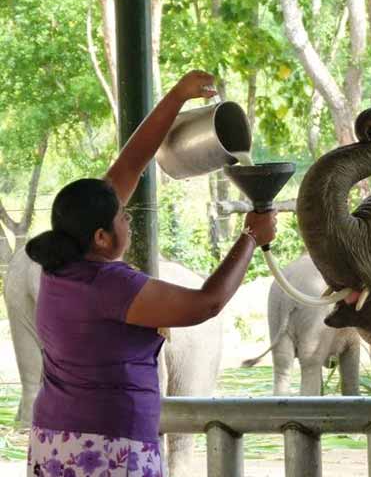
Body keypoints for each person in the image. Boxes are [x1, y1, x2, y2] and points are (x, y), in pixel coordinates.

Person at [24, 70, 276, 477]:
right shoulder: (110, 285)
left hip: (54, 438)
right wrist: (250, 237)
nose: (129, 219)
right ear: (103, 237)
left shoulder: (61, 265)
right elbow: (205, 304)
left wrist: (179, 95)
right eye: (123, 217)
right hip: (109, 447)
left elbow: (131, 163)